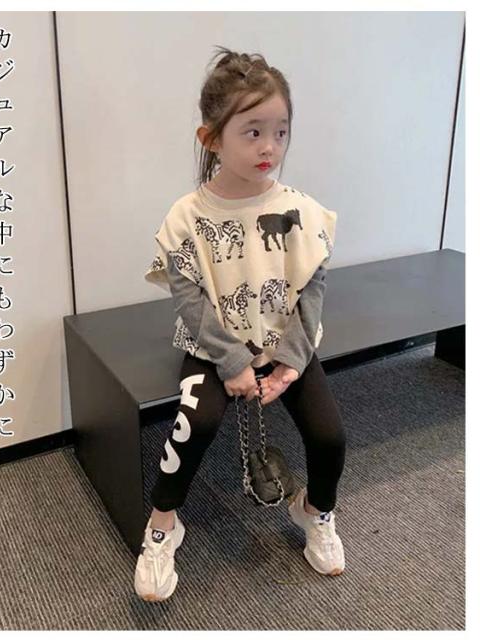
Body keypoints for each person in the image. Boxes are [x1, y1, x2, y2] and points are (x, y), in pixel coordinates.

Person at [136, 46, 347, 602]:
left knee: (330, 435)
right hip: (212, 347)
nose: (269, 147)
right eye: (253, 132)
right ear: (211, 139)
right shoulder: (187, 217)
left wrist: (292, 362)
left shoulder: (303, 210)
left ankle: (315, 510)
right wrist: (231, 362)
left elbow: (312, 290)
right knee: (194, 424)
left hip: (286, 345)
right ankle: (162, 524)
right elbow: (188, 297)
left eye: (280, 131)